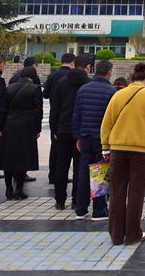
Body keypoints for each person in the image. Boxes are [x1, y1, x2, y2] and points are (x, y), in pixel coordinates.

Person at [102, 63, 145, 245]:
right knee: (136, 192)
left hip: (117, 148)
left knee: (117, 191)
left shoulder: (118, 95)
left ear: (131, 79)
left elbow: (107, 123)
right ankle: (133, 234)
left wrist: (105, 146)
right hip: (142, 150)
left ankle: (116, 235)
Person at [73, 59, 117, 221]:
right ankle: (99, 210)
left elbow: (77, 114)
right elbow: (112, 119)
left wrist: (78, 136)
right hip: (101, 138)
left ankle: (80, 208)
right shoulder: (111, 91)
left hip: (85, 136)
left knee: (84, 172)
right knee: (100, 171)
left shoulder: (83, 89)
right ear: (108, 72)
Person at [0, 66, 43, 200]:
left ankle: (8, 189)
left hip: (9, 125)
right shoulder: (35, 89)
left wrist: (0, 127)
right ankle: (19, 189)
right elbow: (38, 111)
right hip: (27, 126)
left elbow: (2, 109)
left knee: (8, 157)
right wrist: (37, 129)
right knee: (23, 157)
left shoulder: (9, 88)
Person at [50, 55, 90, 209]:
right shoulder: (88, 83)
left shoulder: (61, 82)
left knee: (61, 165)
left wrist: (54, 128)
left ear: (74, 65)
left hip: (63, 129)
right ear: (87, 67)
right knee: (79, 166)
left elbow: (55, 108)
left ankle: (59, 200)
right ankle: (76, 200)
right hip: (81, 131)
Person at [44, 53, 76, 186]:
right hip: (70, 117)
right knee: (72, 152)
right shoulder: (73, 77)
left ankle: (53, 175)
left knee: (55, 148)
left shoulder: (53, 76)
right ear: (72, 63)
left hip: (55, 115)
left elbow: (45, 94)